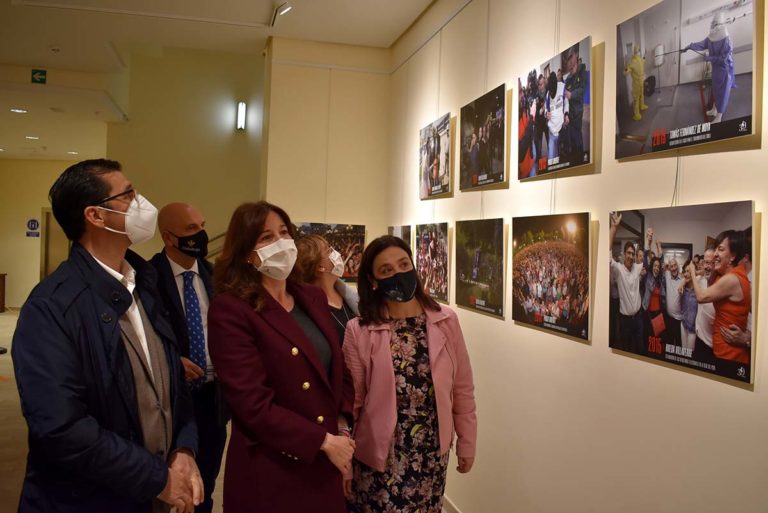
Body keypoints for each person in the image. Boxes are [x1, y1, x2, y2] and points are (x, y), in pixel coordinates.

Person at [11, 159, 202, 513]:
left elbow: (174, 386)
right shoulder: (51, 308)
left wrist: (184, 450)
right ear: (96, 216)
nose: (141, 202)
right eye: (128, 194)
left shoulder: (145, 283)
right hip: (86, 501)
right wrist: (156, 478)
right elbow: (61, 429)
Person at [207, 201, 355, 513]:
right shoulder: (231, 310)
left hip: (326, 458)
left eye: (284, 232)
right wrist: (323, 441)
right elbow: (252, 405)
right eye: (266, 238)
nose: (281, 243)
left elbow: (334, 370)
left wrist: (341, 427)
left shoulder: (311, 297)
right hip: (274, 465)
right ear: (248, 252)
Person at [343, 235, 477, 513]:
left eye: (404, 264)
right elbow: (352, 401)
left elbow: (462, 387)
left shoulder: (446, 320)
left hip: (430, 455)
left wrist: (467, 442)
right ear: (373, 280)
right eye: (386, 270)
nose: (398, 273)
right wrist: (345, 462)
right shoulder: (359, 329)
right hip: (380, 458)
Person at [149, 203, 228, 513]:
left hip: (212, 401)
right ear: (169, 238)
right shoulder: (146, 278)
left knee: (202, 489)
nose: (202, 234)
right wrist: (172, 360)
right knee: (163, 490)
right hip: (168, 402)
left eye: (202, 225)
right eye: (191, 229)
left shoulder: (216, 277)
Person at [688, 230, 751, 374]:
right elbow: (710, 284)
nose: (716, 253)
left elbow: (702, 297)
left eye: (720, 249)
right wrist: (714, 265)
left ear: (733, 256)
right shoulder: (723, 275)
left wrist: (692, 271)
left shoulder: (733, 279)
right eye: (715, 249)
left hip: (730, 356)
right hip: (719, 350)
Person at [295, 234, 360, 343]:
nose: (335, 253)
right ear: (320, 267)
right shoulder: (309, 310)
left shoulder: (351, 296)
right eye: (328, 250)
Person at [684, 12, 735, 123]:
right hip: (716, 69)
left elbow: (724, 59)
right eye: (712, 23)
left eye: (714, 24)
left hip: (725, 71)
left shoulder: (726, 40)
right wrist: (690, 46)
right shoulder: (711, 38)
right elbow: (702, 44)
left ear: (720, 25)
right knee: (715, 91)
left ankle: (719, 117)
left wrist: (710, 58)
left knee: (723, 93)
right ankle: (714, 109)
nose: (712, 26)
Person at [608, 212, 644, 353]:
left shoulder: (637, 267)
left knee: (640, 349)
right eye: (628, 253)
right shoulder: (618, 269)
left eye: (632, 254)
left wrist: (650, 241)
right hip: (625, 321)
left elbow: (647, 260)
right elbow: (608, 253)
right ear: (623, 255)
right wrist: (614, 228)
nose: (630, 256)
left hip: (639, 318)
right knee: (626, 351)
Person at [545, 71, 569, 163]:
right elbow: (546, 109)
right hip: (551, 130)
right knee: (551, 160)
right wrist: (546, 113)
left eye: (552, 91)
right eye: (550, 91)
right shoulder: (548, 95)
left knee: (560, 157)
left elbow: (566, 101)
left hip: (560, 129)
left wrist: (566, 114)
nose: (551, 93)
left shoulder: (562, 87)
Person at [679, 258, 699, 354]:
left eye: (689, 271)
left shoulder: (698, 289)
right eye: (685, 271)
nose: (686, 274)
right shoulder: (684, 287)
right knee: (683, 352)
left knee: (690, 354)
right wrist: (682, 284)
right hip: (683, 324)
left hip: (692, 328)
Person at [624, 45, 648, 121]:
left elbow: (625, 72)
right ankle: (642, 106)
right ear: (638, 51)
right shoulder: (640, 59)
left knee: (636, 99)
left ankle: (637, 115)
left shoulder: (632, 62)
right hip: (641, 81)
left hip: (636, 84)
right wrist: (645, 55)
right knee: (641, 95)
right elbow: (644, 60)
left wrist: (626, 66)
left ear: (634, 51)